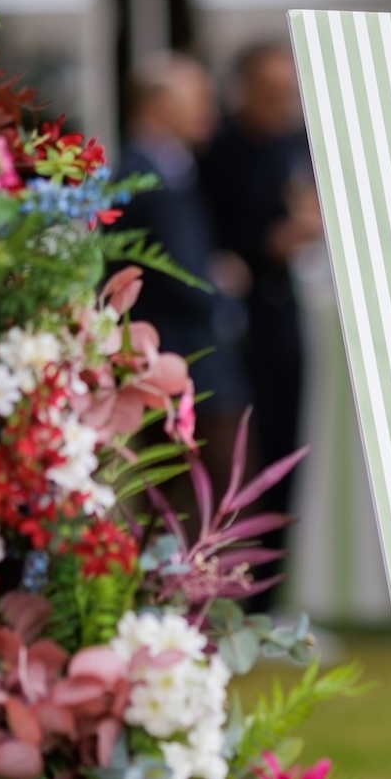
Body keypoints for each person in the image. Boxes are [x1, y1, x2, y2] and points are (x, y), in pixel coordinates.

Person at [199, 42, 323, 595]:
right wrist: (269, 243)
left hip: (282, 320)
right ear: (244, 89)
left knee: (284, 455)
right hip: (229, 331)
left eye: (288, 93)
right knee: (233, 463)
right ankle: (227, 590)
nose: (281, 104)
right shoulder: (217, 149)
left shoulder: (297, 145)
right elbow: (210, 242)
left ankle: (271, 596)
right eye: (270, 92)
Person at [114, 52, 251, 487]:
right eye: (197, 99)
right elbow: (182, 274)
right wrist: (223, 291)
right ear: (157, 105)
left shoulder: (168, 169)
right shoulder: (145, 176)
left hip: (187, 366)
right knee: (210, 498)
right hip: (187, 368)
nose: (210, 110)